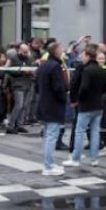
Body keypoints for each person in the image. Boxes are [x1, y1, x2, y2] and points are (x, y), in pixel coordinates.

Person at [64, 46, 106, 168]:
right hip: (98, 105)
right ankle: (94, 159)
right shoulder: (101, 69)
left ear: (88, 56)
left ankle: (75, 158)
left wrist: (77, 100)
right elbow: (105, 88)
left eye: (83, 56)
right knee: (95, 132)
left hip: (86, 106)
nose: (81, 58)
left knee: (80, 131)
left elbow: (83, 88)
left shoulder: (86, 71)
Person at [36, 41, 68, 176]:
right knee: (51, 136)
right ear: (56, 51)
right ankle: (48, 166)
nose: (62, 51)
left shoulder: (44, 65)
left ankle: (48, 163)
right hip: (53, 104)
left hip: (44, 103)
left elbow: (37, 86)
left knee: (47, 136)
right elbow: (58, 87)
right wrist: (64, 97)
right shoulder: (55, 66)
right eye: (60, 49)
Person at [7, 43, 34, 134]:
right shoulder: (13, 58)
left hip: (27, 83)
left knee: (25, 105)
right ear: (19, 51)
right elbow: (9, 71)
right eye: (24, 52)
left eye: (27, 52)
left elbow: (32, 68)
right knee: (19, 105)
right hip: (18, 84)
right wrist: (22, 71)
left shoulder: (29, 58)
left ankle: (20, 125)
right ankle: (10, 125)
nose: (26, 54)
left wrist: (30, 72)